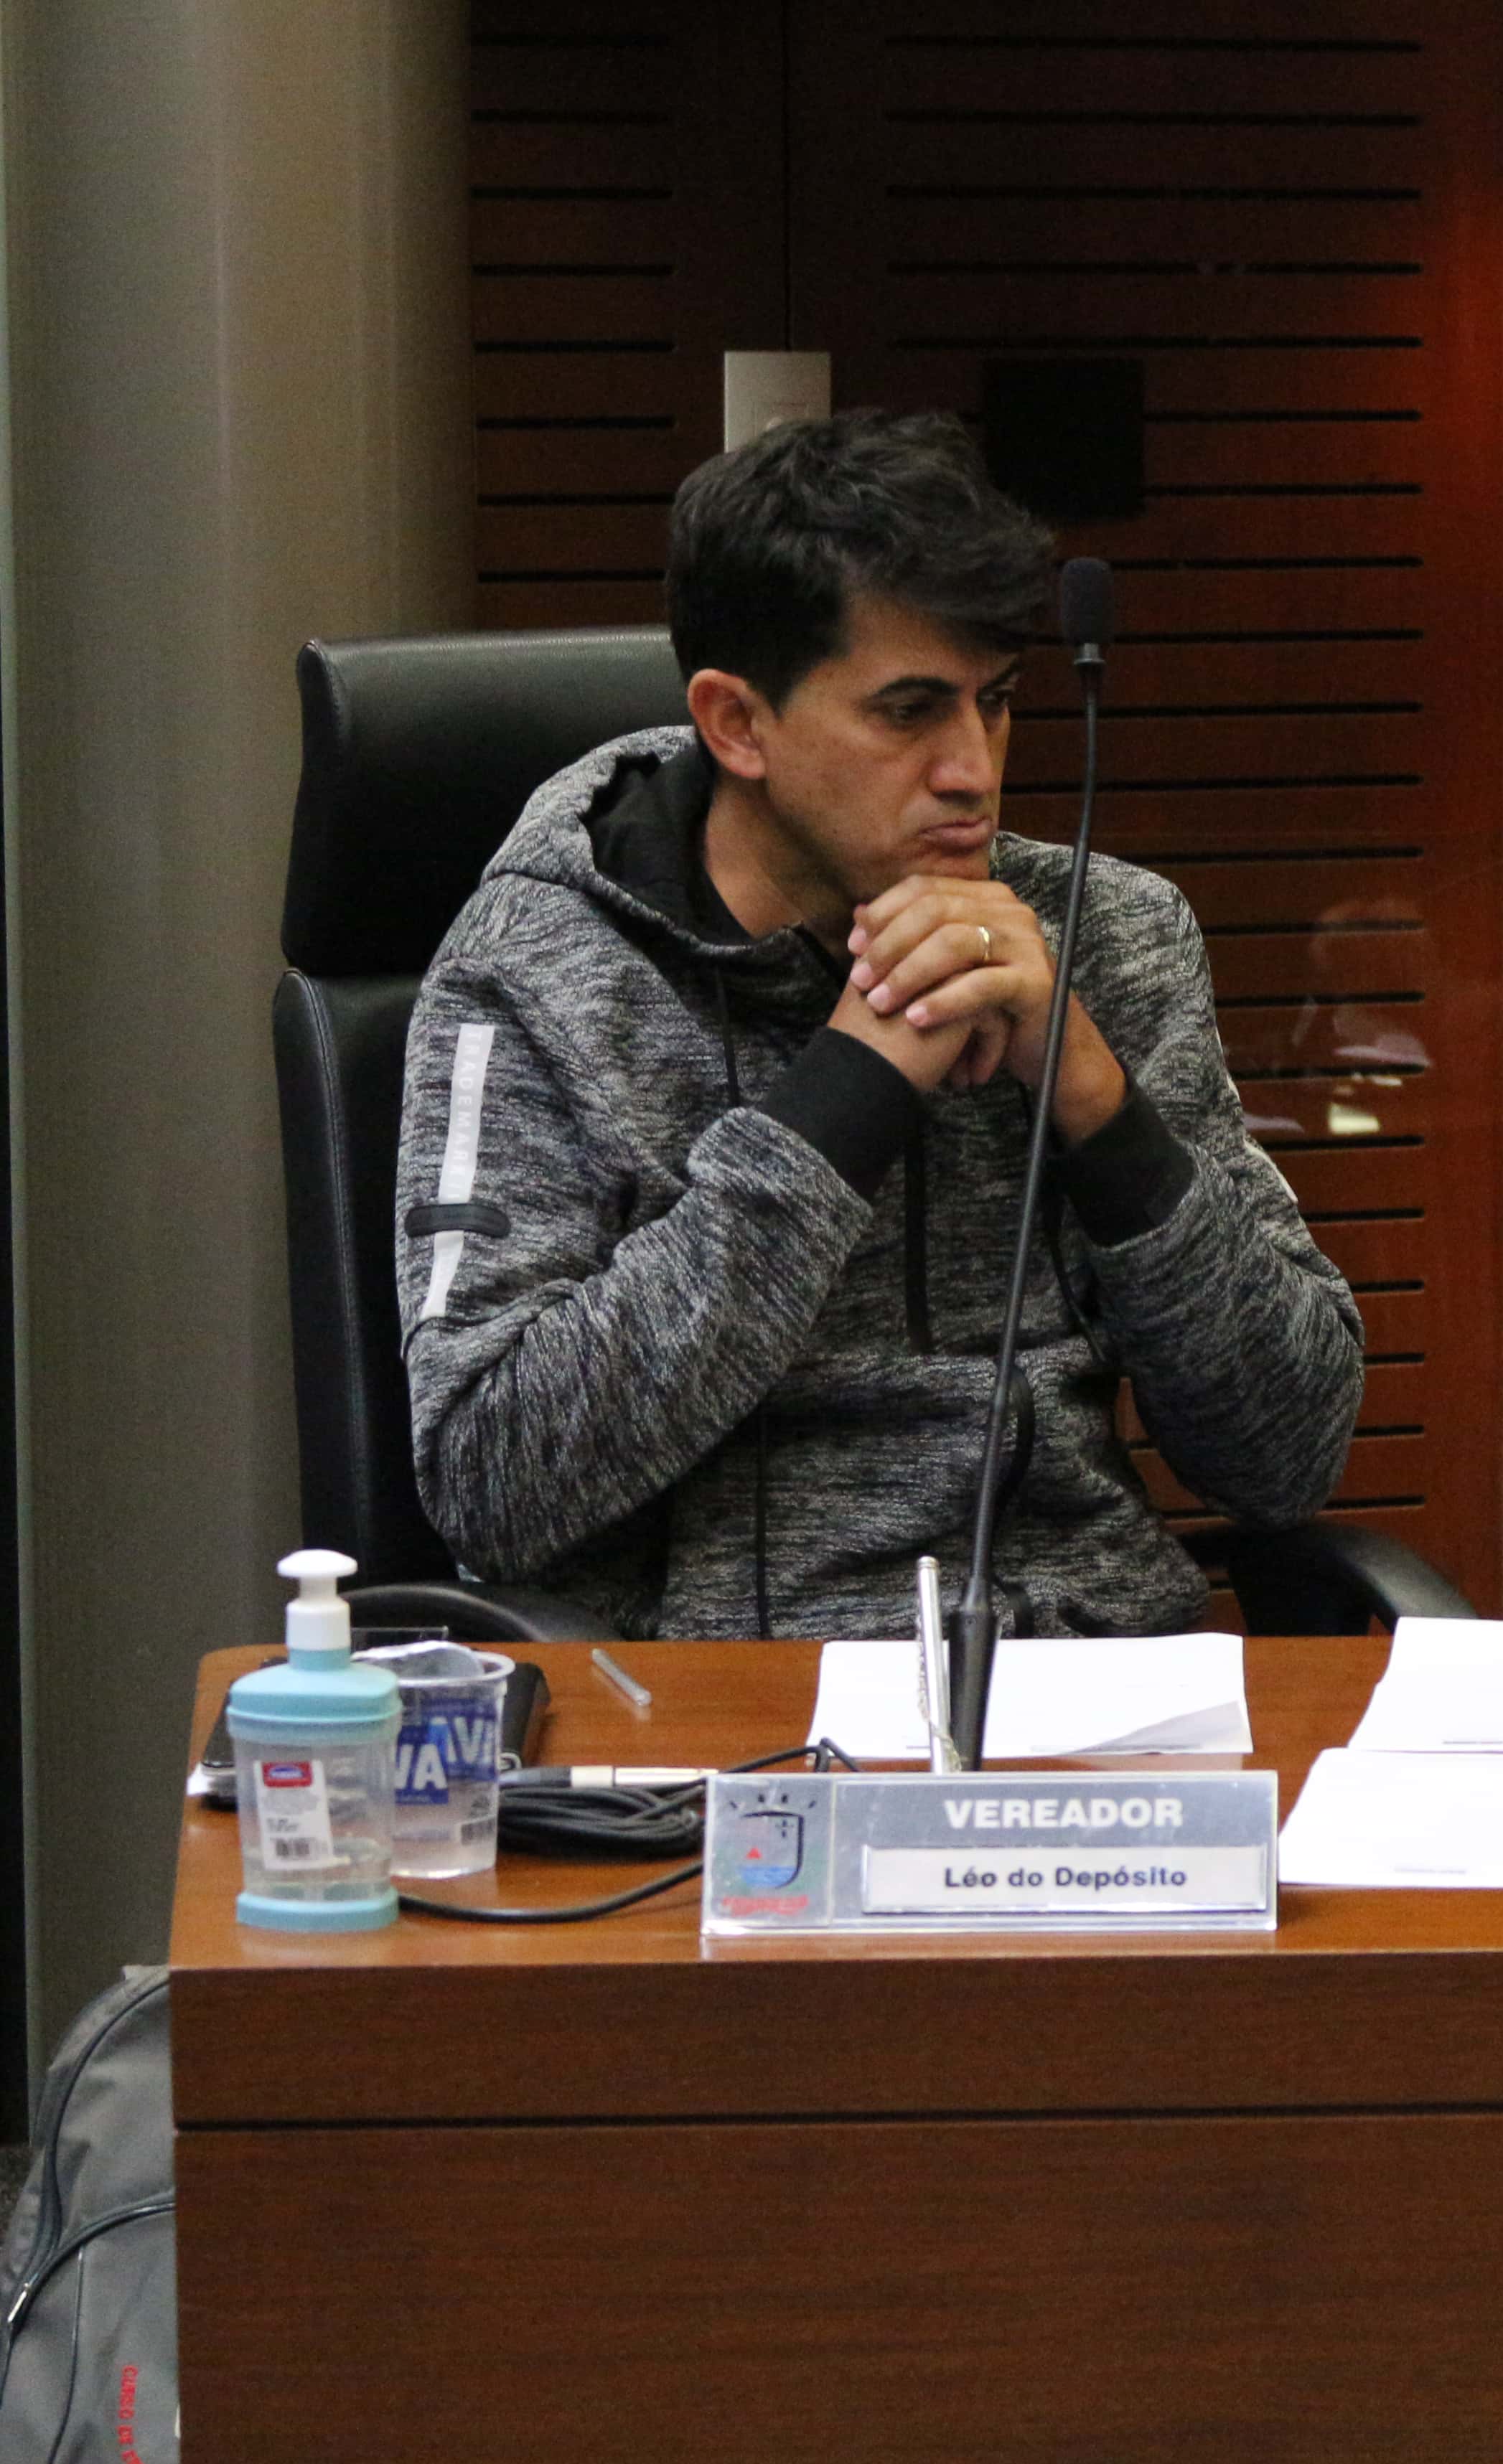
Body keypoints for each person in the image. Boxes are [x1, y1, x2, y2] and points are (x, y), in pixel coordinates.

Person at [396, 409, 1364, 1639]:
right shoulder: (539, 971)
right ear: (737, 724)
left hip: (1095, 1681)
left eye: (996, 702)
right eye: (910, 711)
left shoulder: (1109, 936)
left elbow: (1286, 1457)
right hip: (734, 1705)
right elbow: (490, 1486)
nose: (973, 769)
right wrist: (846, 1093)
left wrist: (1092, 1097)